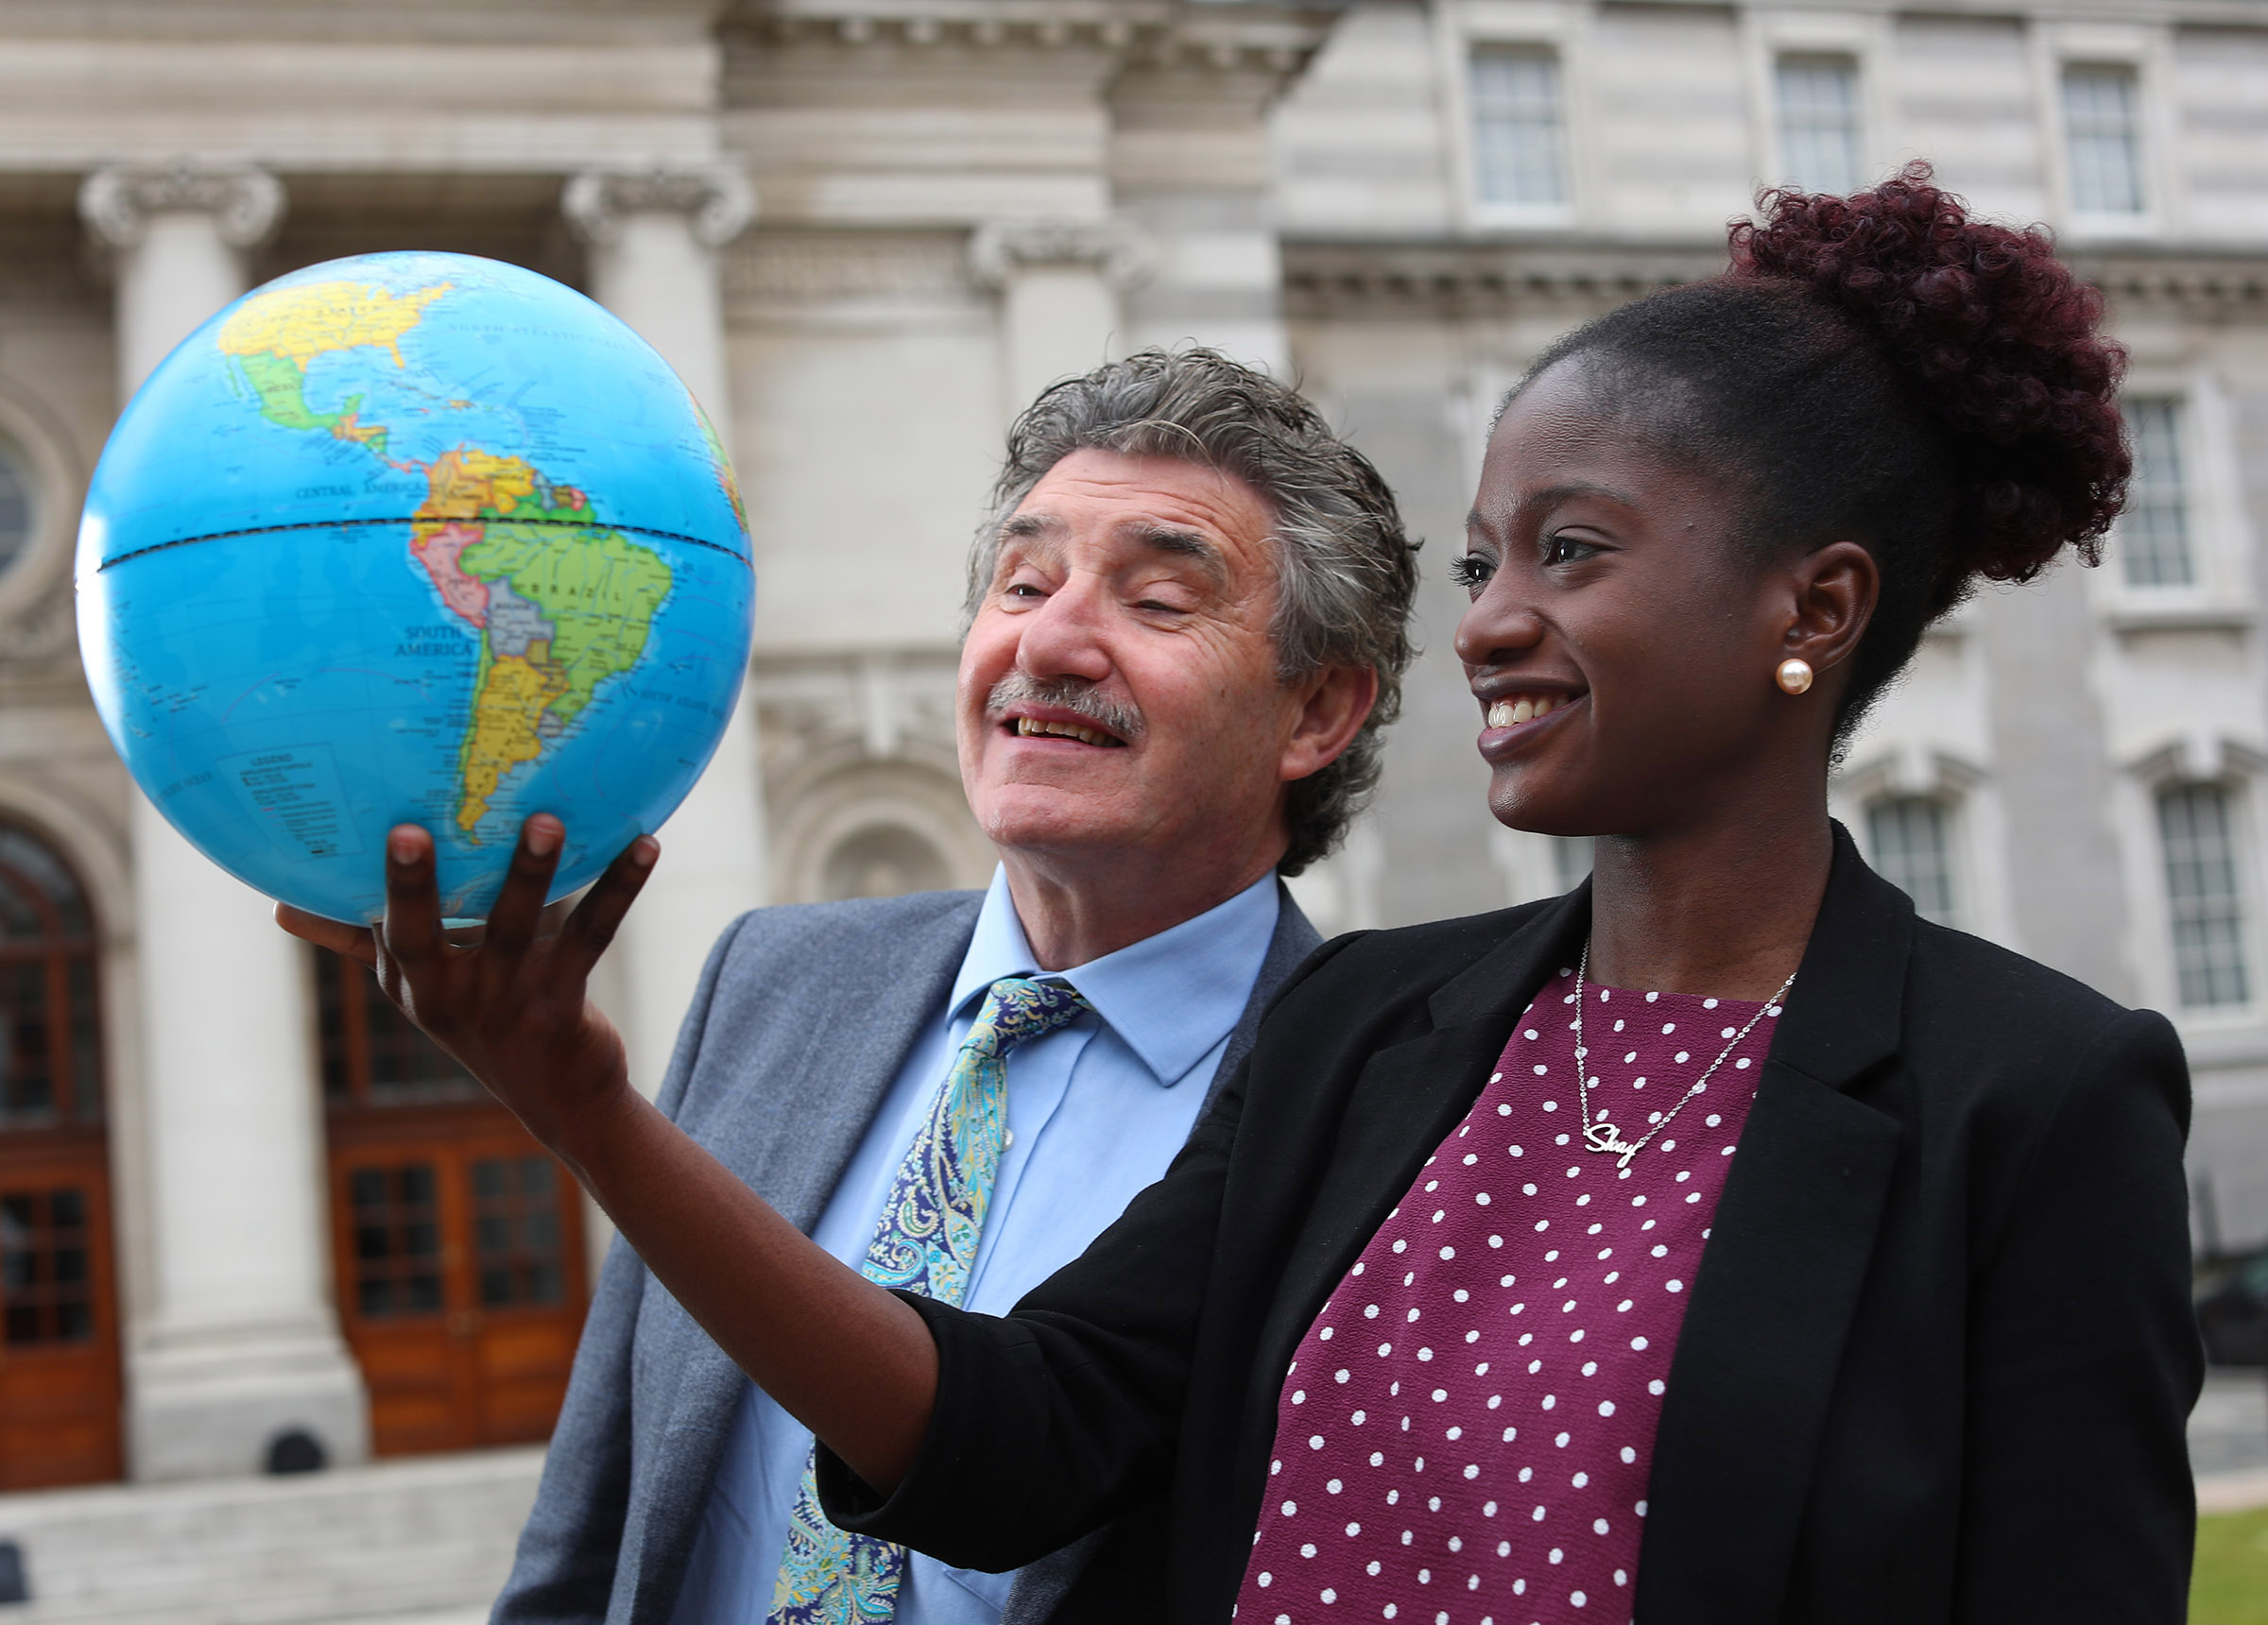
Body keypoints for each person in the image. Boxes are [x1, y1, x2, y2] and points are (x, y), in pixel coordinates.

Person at [300, 168, 2201, 1624]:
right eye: (1481, 558)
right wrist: (587, 1104)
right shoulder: (1375, 1029)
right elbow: (1010, 1429)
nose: (1497, 618)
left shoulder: (2033, 1096)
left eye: (1575, 548)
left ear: (1819, 606)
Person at [279, 349, 1416, 1625]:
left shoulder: (1385, 1117)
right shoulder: (777, 980)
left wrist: (586, 1110)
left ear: (1318, 710)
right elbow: (594, 1529)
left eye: (1157, 602)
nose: (1049, 640)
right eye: (1021, 582)